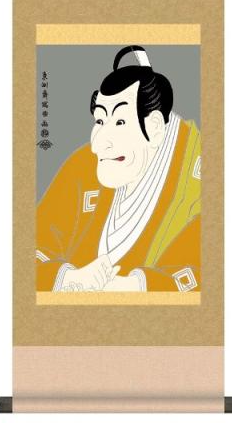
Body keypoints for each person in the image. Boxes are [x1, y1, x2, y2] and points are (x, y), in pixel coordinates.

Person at [36, 45, 201, 292]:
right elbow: (28, 246)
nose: (98, 143)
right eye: (100, 120)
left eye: (120, 121)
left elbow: (207, 275)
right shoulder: (85, 165)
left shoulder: (199, 179)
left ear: (155, 126)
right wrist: (69, 278)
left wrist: (133, 286)